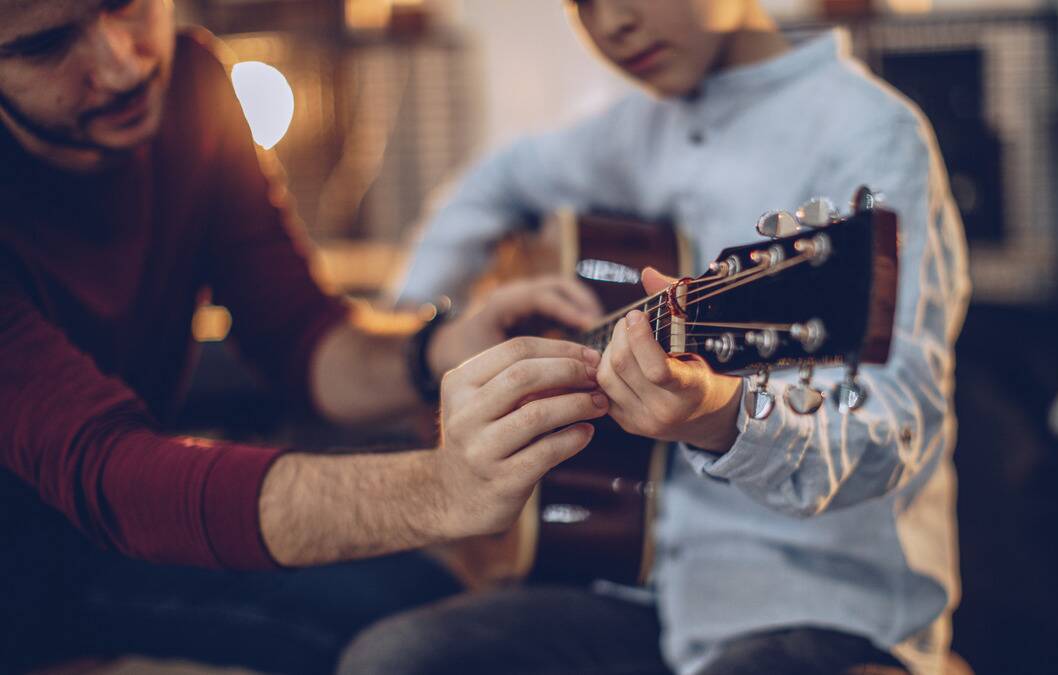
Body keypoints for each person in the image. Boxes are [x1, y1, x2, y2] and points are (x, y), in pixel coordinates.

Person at [347, 1, 970, 674]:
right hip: (640, 579)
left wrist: (726, 417)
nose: (612, 23)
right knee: (394, 660)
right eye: (584, 2)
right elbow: (490, 184)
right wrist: (431, 329)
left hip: (819, 604)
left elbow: (898, 425)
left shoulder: (868, 132)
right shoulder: (629, 132)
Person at [0, 0, 607, 672]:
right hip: (26, 559)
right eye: (46, 45)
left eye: (127, 5)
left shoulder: (195, 85)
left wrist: (435, 350)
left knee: (430, 611)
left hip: (112, 532)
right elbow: (113, 475)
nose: (120, 66)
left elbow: (300, 336)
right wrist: (440, 488)